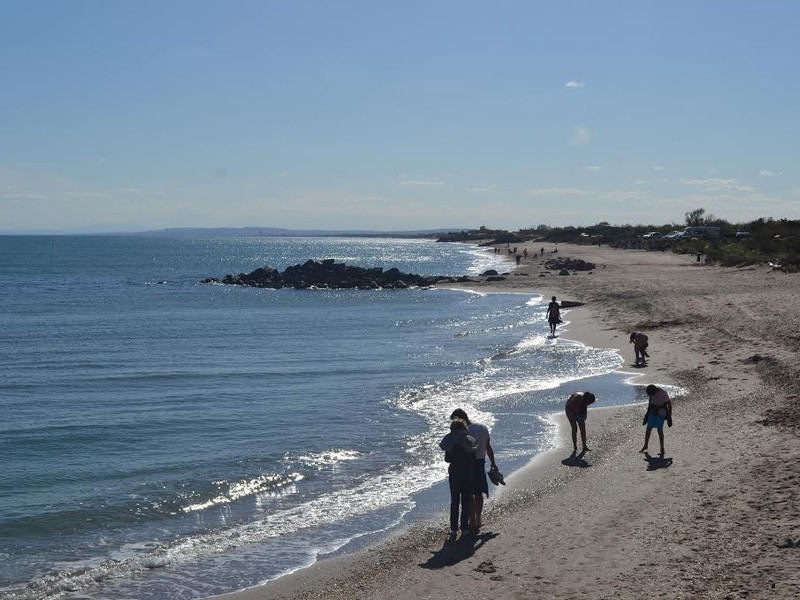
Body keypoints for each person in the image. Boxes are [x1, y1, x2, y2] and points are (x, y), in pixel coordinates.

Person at [450, 408, 497, 532]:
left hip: (469, 464)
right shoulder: (482, 427)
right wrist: (493, 463)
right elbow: (488, 447)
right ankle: (479, 520)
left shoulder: (463, 433)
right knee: (479, 493)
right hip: (481, 462)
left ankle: (472, 521)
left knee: (468, 494)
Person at [439, 418, 477, 536]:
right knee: (466, 501)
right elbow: (474, 457)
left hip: (454, 473)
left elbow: (447, 459)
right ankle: (464, 528)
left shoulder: (450, 441)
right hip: (467, 472)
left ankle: (453, 529)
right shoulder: (470, 440)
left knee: (454, 501)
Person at [640, 384, 672, 456]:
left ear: (654, 391)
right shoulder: (651, 393)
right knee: (648, 429)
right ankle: (645, 445)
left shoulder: (663, 393)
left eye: (651, 394)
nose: (650, 395)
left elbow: (669, 404)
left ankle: (662, 448)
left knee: (659, 430)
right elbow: (650, 404)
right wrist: (647, 414)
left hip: (661, 413)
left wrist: (669, 416)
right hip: (652, 412)